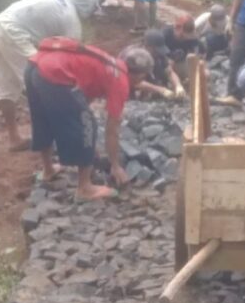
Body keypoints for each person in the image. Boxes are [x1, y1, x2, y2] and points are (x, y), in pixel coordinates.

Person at [25, 38, 153, 201]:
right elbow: (112, 129)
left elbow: (83, 97)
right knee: (88, 125)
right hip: (53, 73)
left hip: (34, 66)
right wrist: (115, 165)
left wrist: (89, 146)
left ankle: (48, 170)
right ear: (140, 74)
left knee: (44, 119)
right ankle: (85, 188)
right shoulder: (120, 81)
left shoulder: (109, 64)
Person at [0, 0, 99, 151]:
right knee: (42, 84)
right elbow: (69, 62)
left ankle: (14, 138)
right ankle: (51, 140)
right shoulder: (71, 21)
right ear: (88, 4)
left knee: (6, 85)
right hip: (15, 34)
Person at [136, 29, 187, 100]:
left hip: (156, 93)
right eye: (156, 50)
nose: (158, 53)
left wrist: (178, 85)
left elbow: (170, 72)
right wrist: (160, 89)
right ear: (148, 46)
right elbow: (136, 82)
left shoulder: (160, 56)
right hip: (137, 97)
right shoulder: (136, 58)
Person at [162, 14, 205, 81]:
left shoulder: (192, 37)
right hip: (166, 62)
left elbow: (201, 52)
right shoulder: (166, 34)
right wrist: (169, 59)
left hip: (182, 62)